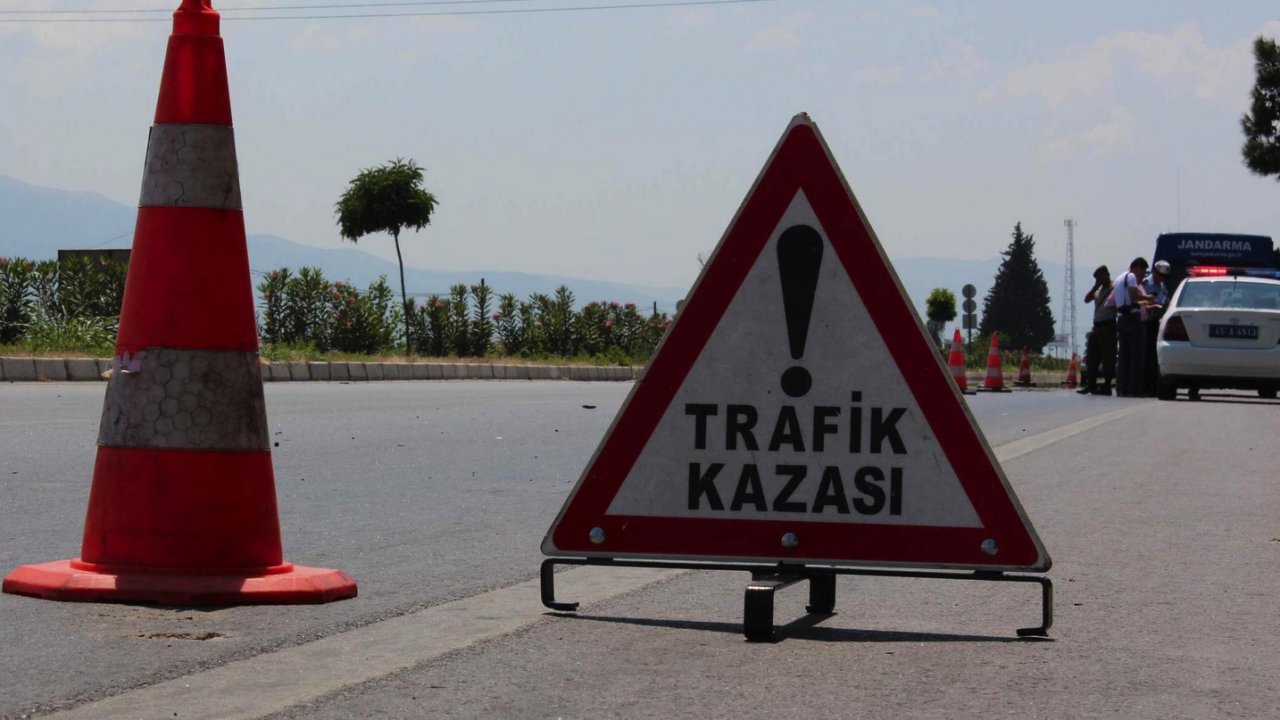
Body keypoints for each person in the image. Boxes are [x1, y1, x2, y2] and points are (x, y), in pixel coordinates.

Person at [1114, 257, 1155, 397]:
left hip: (1121, 318)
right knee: (1137, 356)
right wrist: (1147, 299)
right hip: (1133, 318)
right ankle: (1135, 388)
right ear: (1137, 268)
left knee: (1124, 356)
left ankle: (1121, 388)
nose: (1143, 276)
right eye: (1143, 272)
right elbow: (1133, 295)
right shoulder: (1131, 276)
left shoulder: (1119, 278)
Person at [1078, 265, 1116, 395]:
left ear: (1106, 274)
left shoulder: (1114, 288)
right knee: (1092, 356)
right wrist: (1095, 286)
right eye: (1097, 278)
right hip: (1097, 325)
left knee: (1107, 356)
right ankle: (1091, 384)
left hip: (1108, 325)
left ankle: (1107, 385)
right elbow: (1087, 299)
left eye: (1100, 276)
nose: (1099, 279)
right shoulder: (1098, 290)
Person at [1141, 260, 1170, 396]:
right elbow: (1141, 302)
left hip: (1157, 323)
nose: (1162, 278)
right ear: (1154, 272)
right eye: (1160, 275)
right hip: (1146, 323)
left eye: (1164, 276)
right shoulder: (1145, 284)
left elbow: (1165, 299)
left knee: (1154, 357)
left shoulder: (1162, 285)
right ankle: (1145, 384)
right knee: (1146, 355)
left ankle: (1152, 385)